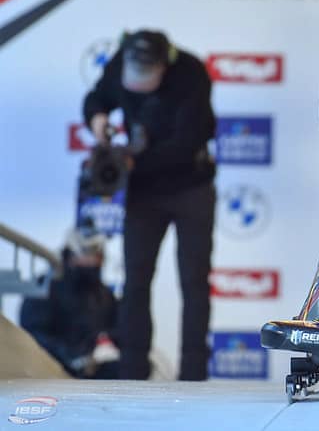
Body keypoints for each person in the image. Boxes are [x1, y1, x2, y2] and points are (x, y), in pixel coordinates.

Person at [82, 29, 216, 380]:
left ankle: (194, 375)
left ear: (163, 65)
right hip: (143, 191)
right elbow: (96, 98)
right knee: (136, 280)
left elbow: (187, 143)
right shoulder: (120, 61)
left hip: (191, 186)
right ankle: (132, 371)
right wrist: (97, 119)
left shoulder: (190, 73)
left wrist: (131, 162)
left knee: (194, 281)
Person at [20, 225, 120, 379]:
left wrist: (104, 342)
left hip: (97, 375)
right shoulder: (46, 287)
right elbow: (32, 333)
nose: (93, 261)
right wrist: (69, 355)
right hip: (51, 374)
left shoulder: (104, 293)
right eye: (87, 254)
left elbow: (116, 328)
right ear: (71, 255)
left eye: (98, 256)